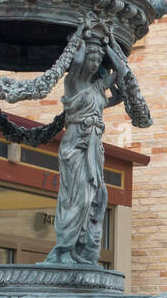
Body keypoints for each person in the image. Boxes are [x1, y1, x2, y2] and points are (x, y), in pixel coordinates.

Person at [44, 27, 130, 266]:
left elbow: (121, 71)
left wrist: (109, 46)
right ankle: (64, 249)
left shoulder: (98, 88)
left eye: (96, 60)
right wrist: (81, 38)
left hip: (93, 148)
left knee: (97, 197)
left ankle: (85, 251)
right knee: (77, 198)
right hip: (76, 147)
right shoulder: (74, 82)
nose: (92, 63)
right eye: (90, 59)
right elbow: (78, 60)